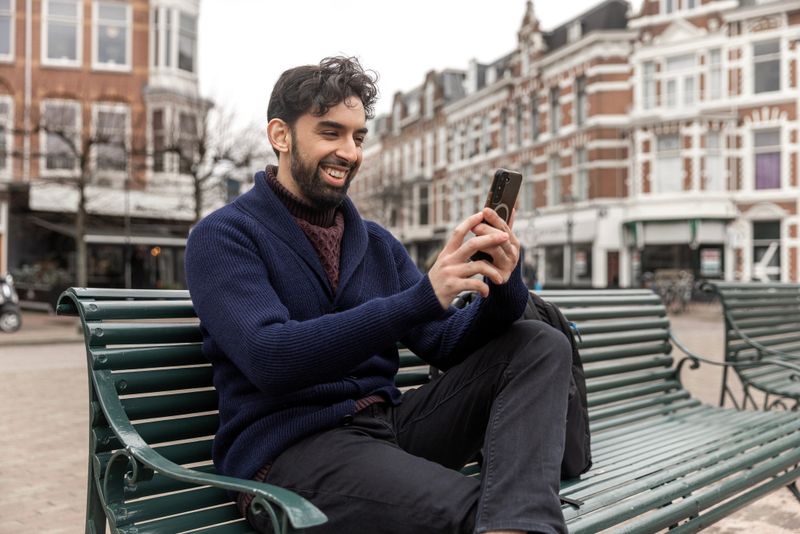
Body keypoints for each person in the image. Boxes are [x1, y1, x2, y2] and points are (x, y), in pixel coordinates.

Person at [185, 56, 571, 534]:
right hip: (291, 451)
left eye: (358, 137)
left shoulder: (375, 243)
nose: (349, 152)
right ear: (281, 135)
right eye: (331, 133)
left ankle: (517, 519)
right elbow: (271, 358)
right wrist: (421, 297)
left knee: (540, 343)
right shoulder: (224, 236)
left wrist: (502, 282)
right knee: (486, 515)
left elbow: (446, 342)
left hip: (386, 429)